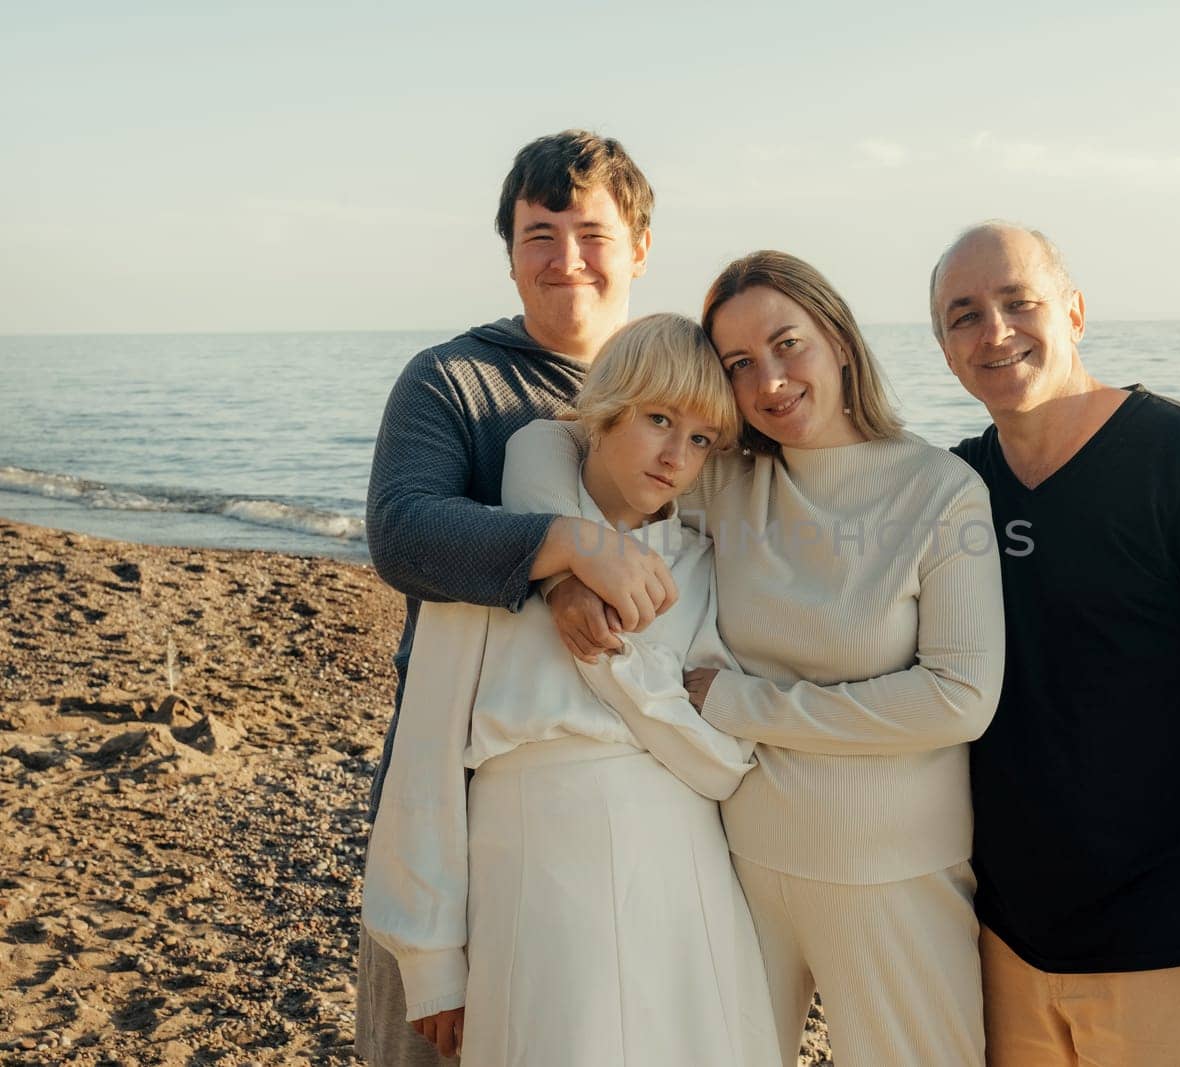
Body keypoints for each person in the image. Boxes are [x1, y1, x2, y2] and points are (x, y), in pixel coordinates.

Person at [521, 251, 1005, 1065]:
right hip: (740, 868)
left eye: (788, 345)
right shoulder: (728, 482)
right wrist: (568, 569)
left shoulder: (941, 491)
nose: (770, 381)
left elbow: (959, 697)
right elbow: (553, 446)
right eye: (740, 365)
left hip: (893, 875)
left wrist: (742, 701)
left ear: (840, 341)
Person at [930, 221, 1180, 1067]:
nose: (993, 330)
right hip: (1009, 939)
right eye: (963, 315)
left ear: (1073, 312)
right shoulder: (958, 486)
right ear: (944, 350)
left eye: (1017, 302)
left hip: (1169, 932)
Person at [362, 314, 781, 1066]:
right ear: (604, 410)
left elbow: (721, 761)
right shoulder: (498, 558)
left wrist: (612, 661)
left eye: (700, 440)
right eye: (658, 419)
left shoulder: (700, 566)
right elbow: (425, 761)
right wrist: (431, 960)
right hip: (532, 880)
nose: (674, 456)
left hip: (680, 883)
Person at [358, 129, 679, 1065]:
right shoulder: (453, 381)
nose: (566, 259)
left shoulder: (683, 389)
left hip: (641, 799)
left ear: (641, 247)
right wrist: (568, 548)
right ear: (509, 251)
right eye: (540, 235)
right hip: (454, 786)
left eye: (591, 233)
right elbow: (406, 532)